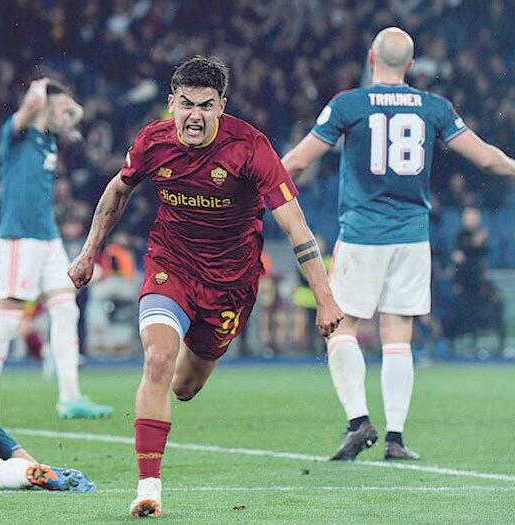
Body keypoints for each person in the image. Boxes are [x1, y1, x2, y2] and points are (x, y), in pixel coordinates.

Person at [68, 56, 343, 518]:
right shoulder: (153, 141)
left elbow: (296, 226)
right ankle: (148, 488)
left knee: (184, 386)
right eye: (186, 104)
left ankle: (168, 391)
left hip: (231, 283)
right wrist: (88, 252)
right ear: (171, 103)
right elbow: (118, 190)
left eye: (206, 105)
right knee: (158, 360)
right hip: (170, 264)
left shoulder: (250, 148)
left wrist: (325, 299)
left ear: (222, 106)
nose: (194, 115)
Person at [281, 27, 515, 461]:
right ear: (411, 65)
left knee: (342, 328)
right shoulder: (433, 107)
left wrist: (257, 182)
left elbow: (300, 161)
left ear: (371, 58)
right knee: (398, 334)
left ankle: (359, 421)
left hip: (362, 234)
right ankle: (395, 438)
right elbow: (483, 156)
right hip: (412, 237)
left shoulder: (348, 104)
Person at [0, 78, 112, 421]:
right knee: (9, 318)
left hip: (48, 239)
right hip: (19, 238)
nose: (68, 116)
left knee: (66, 311)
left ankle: (70, 397)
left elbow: (76, 114)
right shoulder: (16, 134)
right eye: (61, 110)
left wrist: (62, 102)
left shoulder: (49, 139)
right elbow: (32, 105)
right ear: (45, 107)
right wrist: (42, 87)